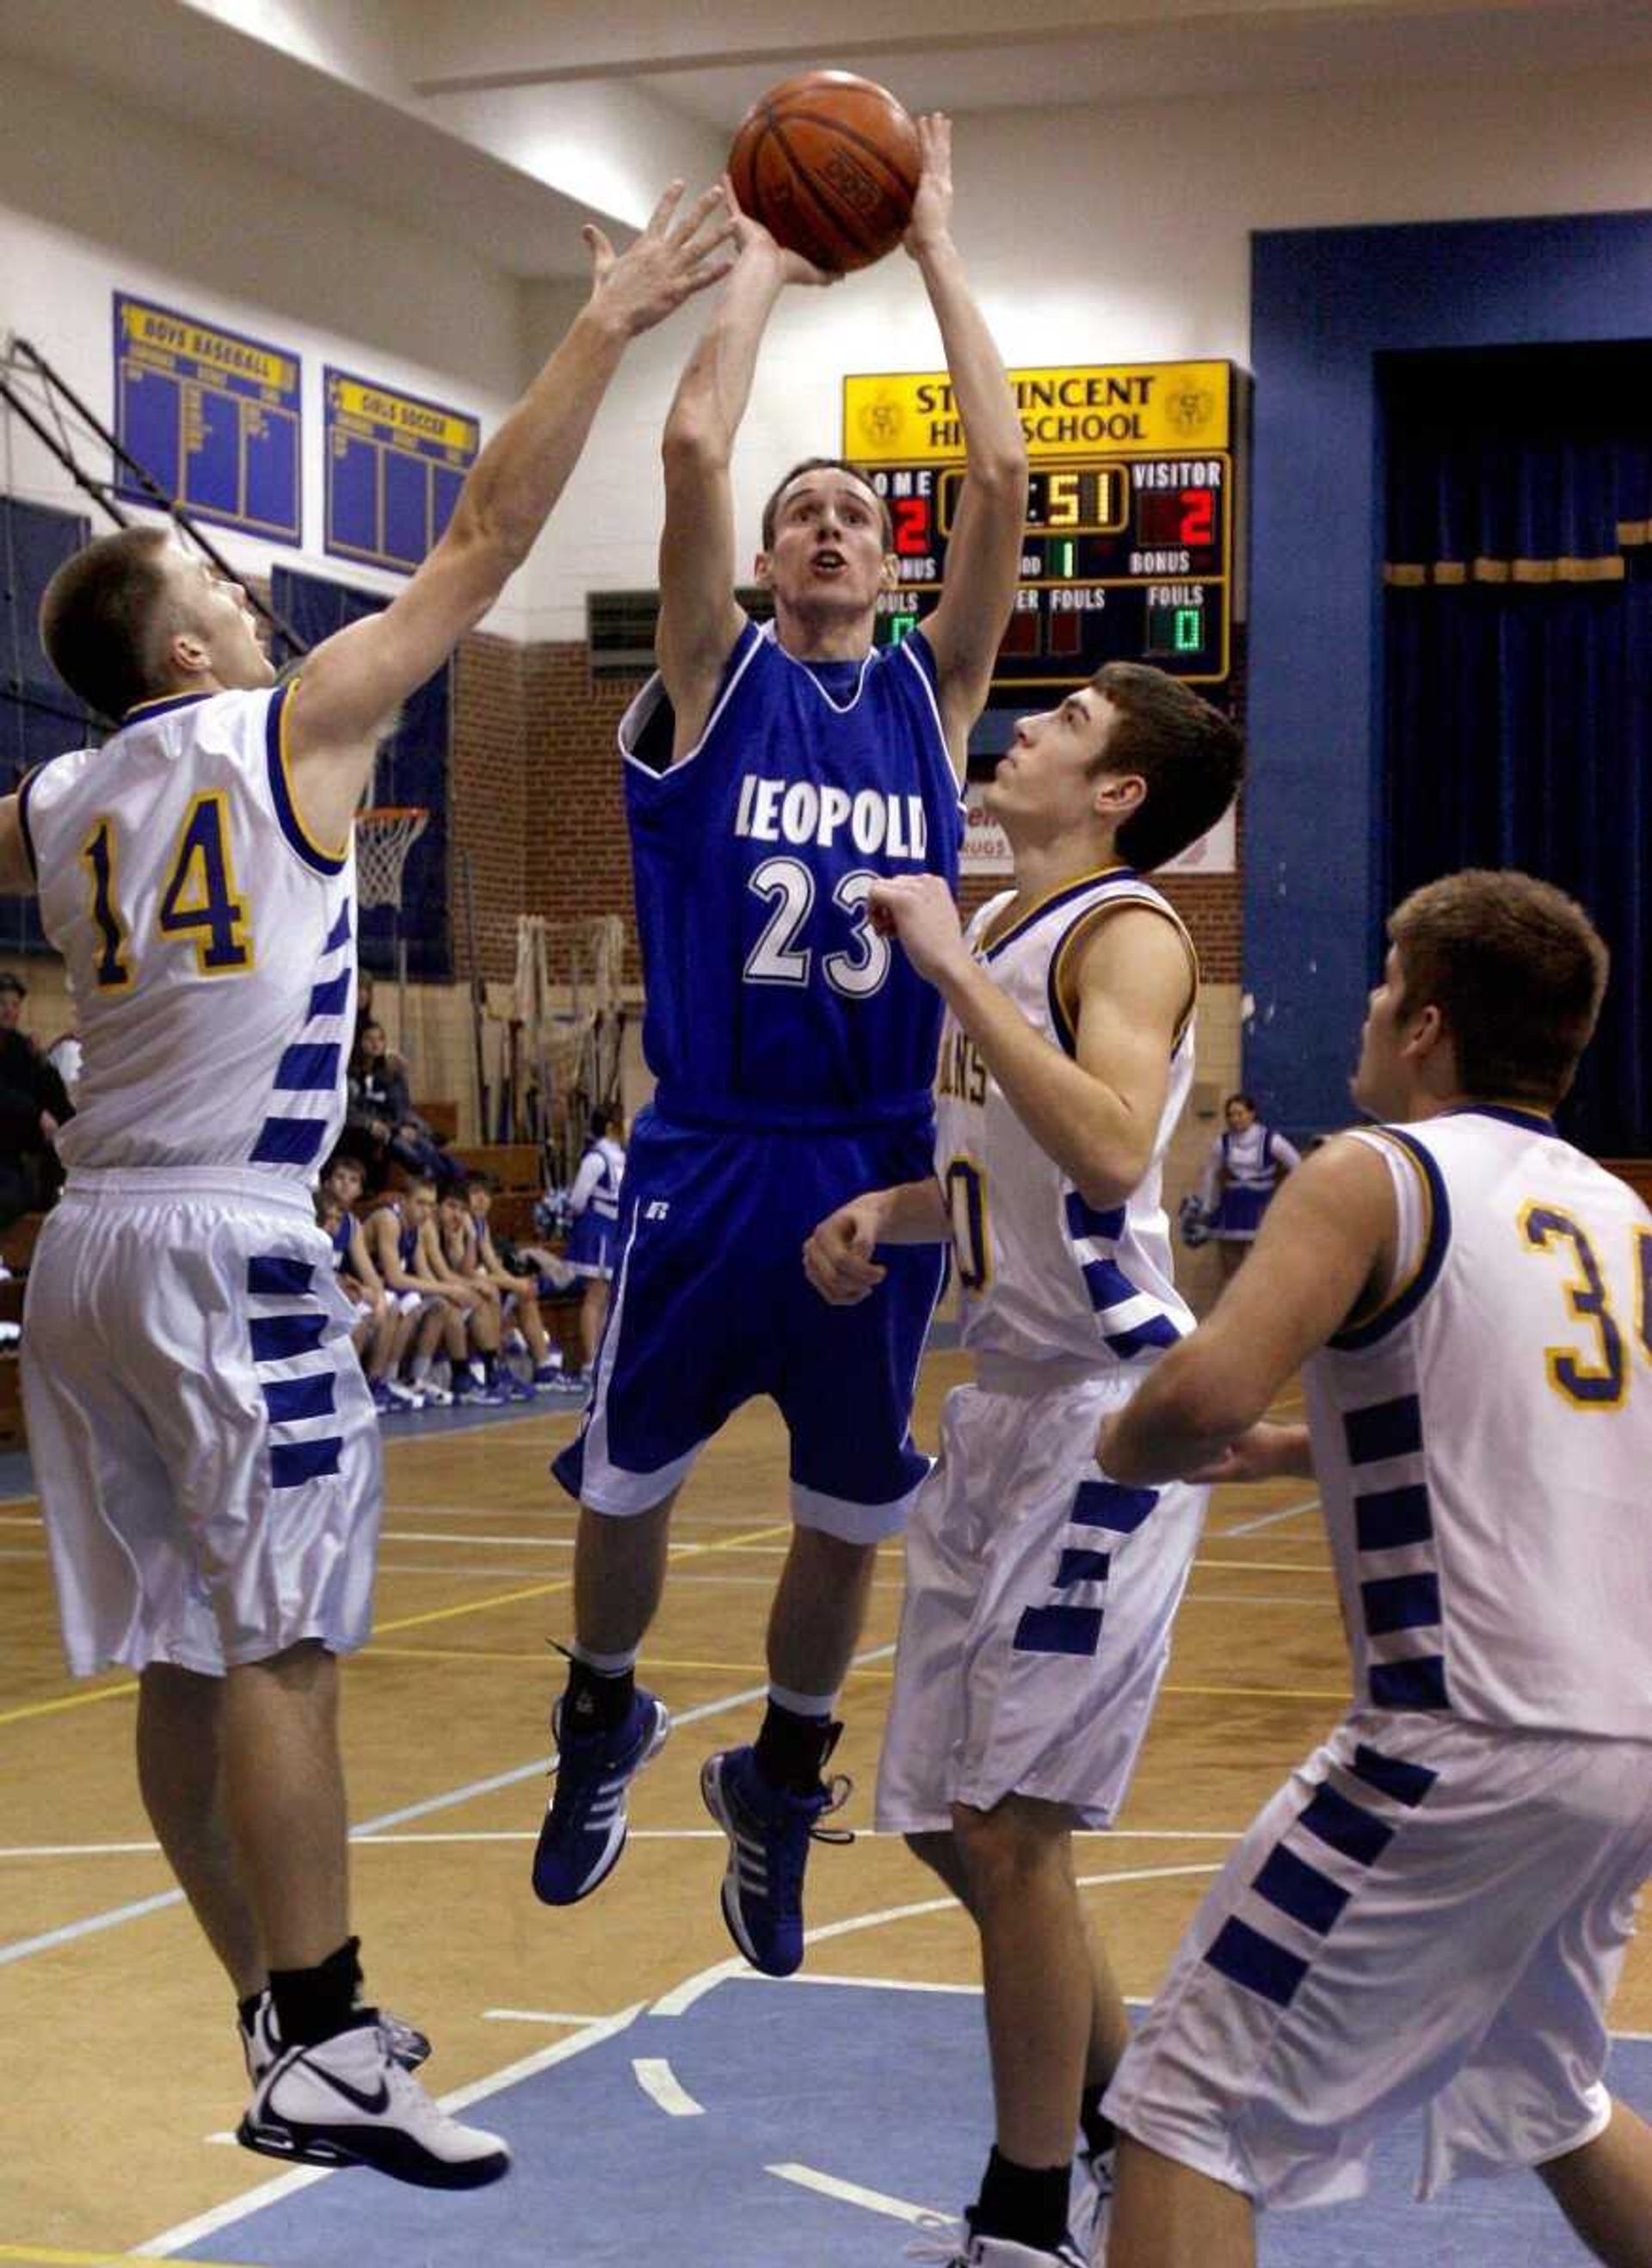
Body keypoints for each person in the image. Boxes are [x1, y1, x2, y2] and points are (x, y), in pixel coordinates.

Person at [9, 182, 730, 2186]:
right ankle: (324, 2025)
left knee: (185, 1642)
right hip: (227, 1240)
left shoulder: (55, 799)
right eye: (225, 587)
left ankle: (273, 2019)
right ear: (182, 643)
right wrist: (608, 322)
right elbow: (491, 533)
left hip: (84, 1251)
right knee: (284, 1643)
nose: (259, 598)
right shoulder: (286, 726)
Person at [533, 114, 1028, 1982]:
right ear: (757, 560)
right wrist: (761, 248)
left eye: (857, 516)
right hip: (709, 1149)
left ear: (891, 573)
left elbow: (993, 467)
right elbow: (683, 439)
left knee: (849, 1509)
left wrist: (937, 245)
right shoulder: (708, 679)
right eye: (800, 509)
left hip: (871, 1146)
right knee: (626, 1479)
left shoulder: (931, 694)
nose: (831, 521)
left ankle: (782, 1770)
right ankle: (601, 1719)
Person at [1094, 869, 1652, 2268]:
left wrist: (1128, 1440)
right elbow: (1535, 1415)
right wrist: (1302, 1455)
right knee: (1550, 2091)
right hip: (1626, 1744)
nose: (1369, 1003)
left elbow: (1198, 1394)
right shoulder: (1613, 1212)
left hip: (1464, 1739)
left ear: (1428, 1022)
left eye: (1386, 980)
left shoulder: (1371, 1172)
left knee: (1180, 2110)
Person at [804, 665, 1244, 2268]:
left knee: (1008, 1827)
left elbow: (1118, 1150)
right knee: (940, 1818)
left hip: (1106, 1421)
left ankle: (1027, 2217)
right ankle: (1137, 2117)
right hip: (1000, 1410)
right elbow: (1023, 1171)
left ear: (1119, 791)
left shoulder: (1128, 929)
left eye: (1065, 721)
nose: (1028, 732)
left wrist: (938, 959)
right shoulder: (1001, 930)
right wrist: (896, 1211)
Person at [463, 1169, 564, 1391]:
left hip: (477, 1286)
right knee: (493, 1291)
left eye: (487, 1195)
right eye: (475, 1193)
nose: (482, 1200)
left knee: (524, 1293)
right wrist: (512, 1283)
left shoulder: (481, 1224)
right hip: (461, 1290)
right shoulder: (459, 1223)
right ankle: (497, 1366)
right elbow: (466, 1274)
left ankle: (544, 1366)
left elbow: (493, 1265)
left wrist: (518, 1283)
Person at [1193, 1091, 1300, 1280]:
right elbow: (1210, 1175)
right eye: (1230, 1115)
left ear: (1252, 1114)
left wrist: (1289, 1201)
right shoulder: (1222, 1142)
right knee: (1230, 1265)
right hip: (1231, 1207)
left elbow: (1298, 1166)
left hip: (1261, 1207)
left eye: (1240, 1113)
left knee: (1260, 1263)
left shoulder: (1271, 1140)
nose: (1235, 1119)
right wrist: (1206, 1207)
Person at [0, 968, 72, 1222]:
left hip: (13, 1158)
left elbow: (56, 1101)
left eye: (14, 1004)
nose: (9, 1010)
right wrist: (37, 1114)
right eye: (2, 1003)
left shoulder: (21, 1048)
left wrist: (42, 1061)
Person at [563, 1105, 626, 1382]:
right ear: (611, 1126)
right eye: (622, 1121)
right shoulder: (597, 1158)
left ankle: (603, 1357)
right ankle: (590, 1360)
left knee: (609, 1297)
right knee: (596, 1295)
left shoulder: (621, 1156)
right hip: (597, 1231)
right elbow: (577, 1199)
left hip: (614, 1229)